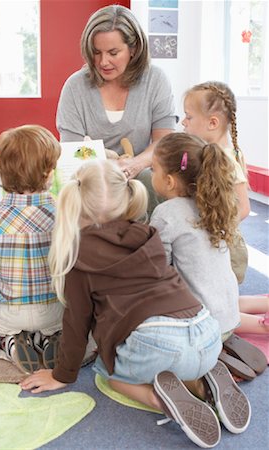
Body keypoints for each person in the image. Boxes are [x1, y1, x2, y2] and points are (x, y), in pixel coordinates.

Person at [20, 159, 251, 447]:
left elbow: (76, 323)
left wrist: (62, 375)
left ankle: (162, 400)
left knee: (109, 375)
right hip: (207, 331)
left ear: (75, 204)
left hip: (158, 343)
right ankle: (204, 382)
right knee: (176, 354)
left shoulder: (78, 257)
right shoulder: (149, 234)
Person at [150, 133, 267, 379]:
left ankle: (203, 366)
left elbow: (158, 273)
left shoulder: (165, 213)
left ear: (169, 181)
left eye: (153, 170)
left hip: (201, 328)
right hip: (229, 314)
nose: (151, 176)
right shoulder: (215, 204)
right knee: (210, 287)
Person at [56, 4, 178, 217]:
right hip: (90, 177)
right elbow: (72, 152)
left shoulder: (156, 79)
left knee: (149, 181)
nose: (103, 62)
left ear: (133, 49)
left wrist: (134, 165)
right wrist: (109, 169)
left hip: (141, 172)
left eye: (113, 52)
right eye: (96, 52)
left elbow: (164, 142)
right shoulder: (74, 87)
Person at [0, 125, 64, 374]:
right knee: (59, 321)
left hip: (11, 311)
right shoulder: (64, 213)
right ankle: (51, 337)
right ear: (47, 173)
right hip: (56, 309)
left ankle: (7, 341)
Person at [181, 81, 269, 335]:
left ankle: (262, 328)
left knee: (214, 310)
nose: (184, 122)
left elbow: (243, 208)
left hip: (225, 249)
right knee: (218, 299)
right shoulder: (209, 154)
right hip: (218, 244)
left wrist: (214, 231)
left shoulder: (225, 161)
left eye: (188, 117)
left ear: (212, 123)